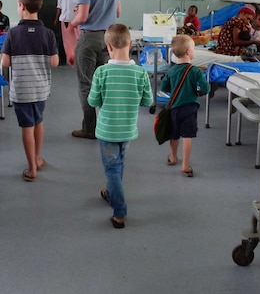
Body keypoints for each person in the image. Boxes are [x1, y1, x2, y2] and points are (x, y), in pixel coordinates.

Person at [87, 24, 153, 228]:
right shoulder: (140, 73)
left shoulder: (101, 72)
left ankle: (120, 211)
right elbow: (147, 102)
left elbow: (93, 101)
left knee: (112, 169)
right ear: (130, 44)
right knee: (119, 164)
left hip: (107, 130)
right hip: (128, 130)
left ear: (108, 47)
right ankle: (111, 192)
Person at [1, 0, 59, 182]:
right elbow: (54, 62)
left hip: (22, 90)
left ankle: (31, 168)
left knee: (27, 126)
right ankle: (38, 158)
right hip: (41, 88)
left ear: (21, 6)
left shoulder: (13, 33)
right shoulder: (48, 34)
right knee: (38, 121)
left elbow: (5, 62)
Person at [65, 0, 121, 140]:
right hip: (109, 38)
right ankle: (108, 126)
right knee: (104, 84)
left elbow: (83, 15)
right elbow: (118, 11)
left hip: (89, 38)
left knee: (85, 84)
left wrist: (71, 24)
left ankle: (90, 128)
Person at [161, 35, 210, 177]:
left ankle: (173, 156)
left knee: (174, 134)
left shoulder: (171, 71)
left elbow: (164, 87)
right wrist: (197, 91)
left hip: (174, 107)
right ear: (189, 52)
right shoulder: (195, 71)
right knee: (187, 136)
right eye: (194, 48)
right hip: (190, 108)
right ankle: (185, 165)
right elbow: (206, 89)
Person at [54, 0, 80, 65]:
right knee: (61, 40)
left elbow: (81, 4)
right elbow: (59, 5)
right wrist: (56, 18)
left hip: (75, 19)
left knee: (75, 39)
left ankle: (75, 58)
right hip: (63, 19)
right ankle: (62, 59)